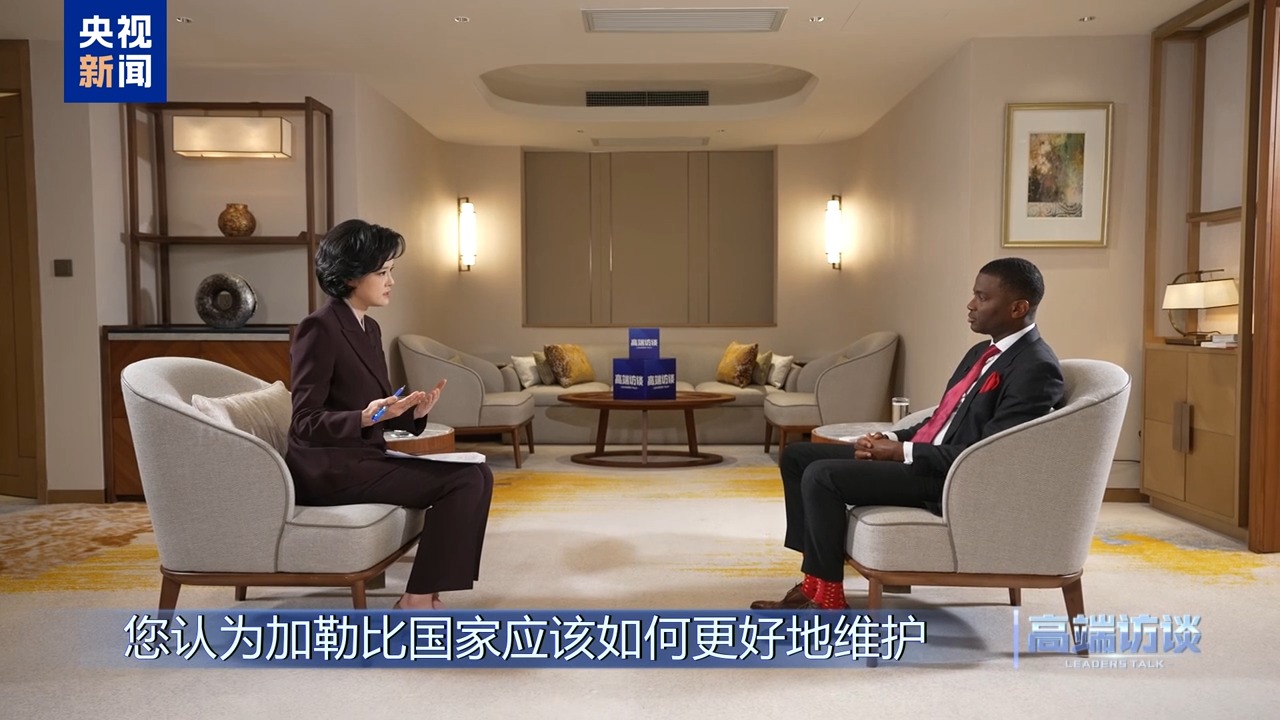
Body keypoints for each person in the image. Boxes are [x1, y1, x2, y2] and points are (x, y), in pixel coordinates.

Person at [752, 257, 1064, 610]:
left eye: (982, 297)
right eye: (974, 294)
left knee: (822, 476)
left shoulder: (1035, 367)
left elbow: (990, 453)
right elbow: (945, 418)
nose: (971, 305)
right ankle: (814, 580)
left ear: (1018, 308)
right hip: (928, 459)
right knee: (798, 457)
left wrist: (903, 454)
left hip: (952, 480)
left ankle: (829, 598)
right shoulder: (982, 352)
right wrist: (894, 439)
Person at [286, 218, 494, 611]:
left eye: (391, 271)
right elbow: (304, 421)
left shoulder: (369, 329)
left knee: (479, 473)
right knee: (465, 480)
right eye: (382, 272)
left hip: (363, 459)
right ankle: (417, 600)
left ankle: (426, 593)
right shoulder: (319, 328)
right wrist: (364, 419)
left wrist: (412, 413)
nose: (391, 281)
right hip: (328, 471)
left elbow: (375, 406)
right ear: (350, 276)